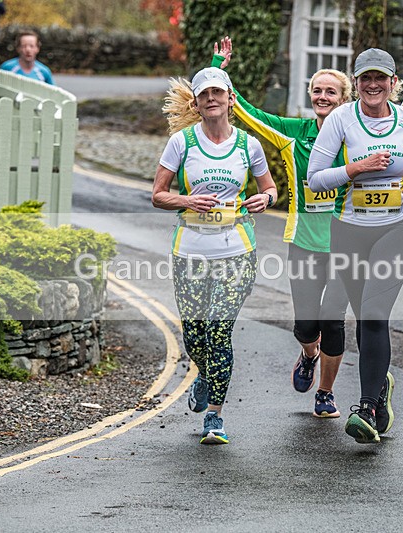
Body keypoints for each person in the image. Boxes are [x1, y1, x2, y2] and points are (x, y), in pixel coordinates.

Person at [212, 37, 403, 418]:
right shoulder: (293, 134)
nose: (322, 96)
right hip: (304, 240)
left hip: (345, 238)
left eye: (330, 91)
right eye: (316, 90)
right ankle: (307, 354)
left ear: (344, 97)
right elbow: (245, 113)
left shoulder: (359, 128)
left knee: (334, 321)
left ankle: (327, 393)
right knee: (306, 325)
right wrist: (219, 70)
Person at [307, 48, 403, 444]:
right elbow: (315, 178)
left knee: (373, 313)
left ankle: (367, 408)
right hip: (350, 230)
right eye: (366, 78)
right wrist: (356, 169)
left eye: (381, 78)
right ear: (355, 84)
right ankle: (380, 384)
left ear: (392, 83)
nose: (373, 85)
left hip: (399, 227)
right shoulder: (340, 119)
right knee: (362, 316)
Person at [152, 67, 277, 445]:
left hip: (236, 249)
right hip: (190, 249)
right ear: (196, 101)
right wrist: (187, 200)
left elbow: (269, 188)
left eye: (217, 93)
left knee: (219, 331)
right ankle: (205, 374)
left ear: (229, 99)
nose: (211, 99)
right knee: (195, 334)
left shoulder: (248, 146)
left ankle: (214, 417)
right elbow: (158, 194)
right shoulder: (181, 142)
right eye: (204, 94)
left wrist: (265, 199)